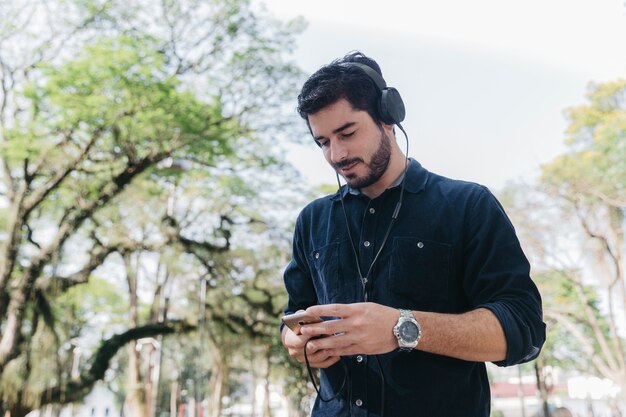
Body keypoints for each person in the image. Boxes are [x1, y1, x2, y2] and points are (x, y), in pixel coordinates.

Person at [280, 50, 546, 417]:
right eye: (323, 142)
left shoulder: (469, 204)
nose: (336, 155)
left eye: (347, 133)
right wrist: (296, 341)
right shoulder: (311, 220)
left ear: (388, 118)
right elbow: (293, 316)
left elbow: (523, 329)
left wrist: (400, 326)